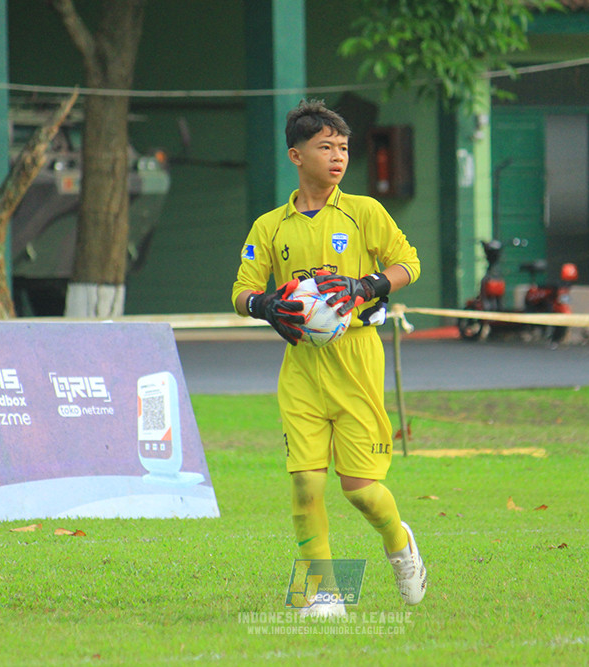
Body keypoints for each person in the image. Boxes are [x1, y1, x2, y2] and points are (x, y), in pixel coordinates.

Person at [231, 99, 426, 614]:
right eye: (326, 147)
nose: (337, 157)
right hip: (302, 368)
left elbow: (408, 263)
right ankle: (319, 591)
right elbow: (242, 291)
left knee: (361, 491)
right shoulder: (270, 226)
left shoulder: (364, 212)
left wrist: (368, 285)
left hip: (358, 359)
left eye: (342, 147)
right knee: (306, 484)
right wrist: (266, 306)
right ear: (296, 155)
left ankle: (399, 542)